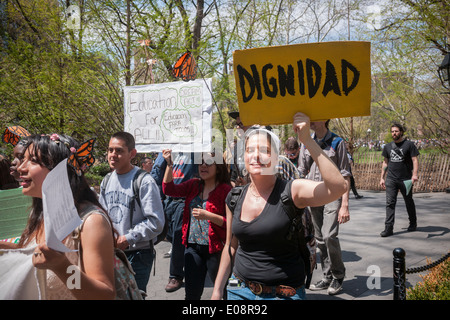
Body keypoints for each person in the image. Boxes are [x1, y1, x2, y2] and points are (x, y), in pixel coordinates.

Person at [211, 113, 347, 300]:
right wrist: (217, 291)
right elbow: (230, 246)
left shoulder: (292, 191)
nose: (256, 155)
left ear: (276, 157)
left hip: (284, 294)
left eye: (264, 150)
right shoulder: (234, 198)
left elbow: (338, 187)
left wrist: (307, 139)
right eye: (250, 150)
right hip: (239, 291)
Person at [0, 133, 116, 299]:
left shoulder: (90, 222)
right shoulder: (38, 212)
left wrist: (62, 267)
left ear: (59, 169)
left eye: (32, 161)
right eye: (22, 159)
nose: (20, 168)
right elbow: (39, 254)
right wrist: (7, 248)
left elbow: (103, 295)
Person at [99, 131, 165, 293]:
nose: (113, 155)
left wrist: (128, 238)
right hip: (112, 253)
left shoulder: (144, 181)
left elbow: (156, 222)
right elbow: (101, 217)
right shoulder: (106, 180)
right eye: (110, 150)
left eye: (119, 150)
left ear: (132, 153)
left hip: (138, 255)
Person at [162, 150, 231, 300]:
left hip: (216, 250)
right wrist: (169, 164)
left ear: (218, 167)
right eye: (201, 163)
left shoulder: (226, 190)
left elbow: (229, 225)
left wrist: (209, 216)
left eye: (209, 163)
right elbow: (169, 189)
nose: (203, 166)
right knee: (192, 294)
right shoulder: (193, 185)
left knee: (222, 292)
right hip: (193, 248)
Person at [298, 119, 351, 295]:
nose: (311, 121)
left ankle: (338, 275)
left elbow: (345, 175)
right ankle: (327, 276)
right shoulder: (306, 143)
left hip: (333, 194)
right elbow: (301, 171)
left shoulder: (338, 142)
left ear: (326, 118)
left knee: (329, 236)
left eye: (316, 118)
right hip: (314, 194)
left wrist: (345, 205)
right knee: (319, 238)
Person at [150, 151, 198, 292]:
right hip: (167, 200)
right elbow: (156, 175)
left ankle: (175, 275)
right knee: (169, 235)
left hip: (185, 200)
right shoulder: (166, 151)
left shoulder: (196, 149)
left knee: (178, 236)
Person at [379, 123, 419, 237]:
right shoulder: (387, 147)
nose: (394, 133)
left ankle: (413, 223)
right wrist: (382, 177)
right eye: (392, 131)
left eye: (396, 131)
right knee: (390, 203)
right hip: (391, 179)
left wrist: (414, 175)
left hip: (406, 180)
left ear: (401, 132)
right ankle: (388, 228)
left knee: (408, 201)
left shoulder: (409, 145)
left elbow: (414, 160)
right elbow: (385, 162)